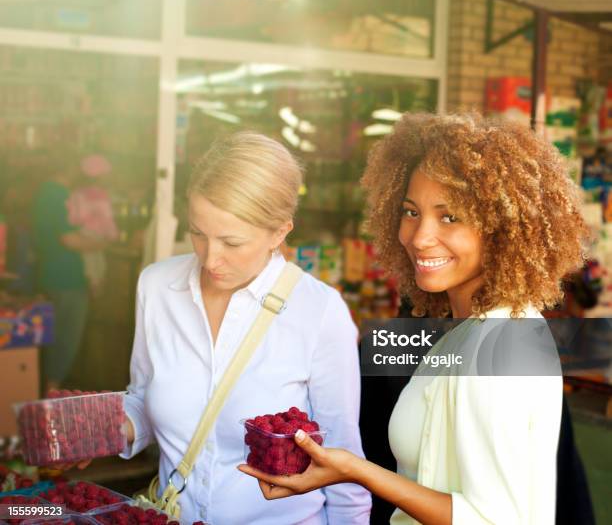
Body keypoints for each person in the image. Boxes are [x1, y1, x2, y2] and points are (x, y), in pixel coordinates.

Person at [239, 113, 590, 524]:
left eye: (450, 217)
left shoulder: (500, 344)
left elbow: (493, 519)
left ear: (502, 228)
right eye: (410, 211)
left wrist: (353, 470)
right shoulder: (468, 331)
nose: (420, 237)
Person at [119, 132, 371, 525]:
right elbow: (145, 396)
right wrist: (105, 429)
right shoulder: (156, 286)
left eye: (231, 242)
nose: (210, 258)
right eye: (198, 234)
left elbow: (343, 460)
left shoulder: (319, 311)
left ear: (279, 232)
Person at [31, 152, 108, 393]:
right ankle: (51, 395)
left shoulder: (43, 193)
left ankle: (46, 391)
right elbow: (70, 239)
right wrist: (102, 245)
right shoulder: (60, 195)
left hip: (49, 275)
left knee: (52, 340)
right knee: (65, 340)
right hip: (68, 279)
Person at [66, 154, 119, 296]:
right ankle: (96, 289)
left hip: (81, 232)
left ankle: (92, 285)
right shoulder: (101, 195)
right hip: (97, 235)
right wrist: (113, 235)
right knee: (98, 264)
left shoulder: (76, 193)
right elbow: (107, 217)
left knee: (89, 264)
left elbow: (73, 214)